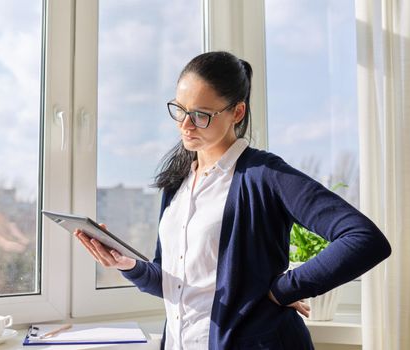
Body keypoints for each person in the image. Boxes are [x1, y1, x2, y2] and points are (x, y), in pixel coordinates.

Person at [74, 51, 391, 349]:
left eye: (201, 115)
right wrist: (127, 265)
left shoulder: (265, 174)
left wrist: (284, 289)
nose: (185, 125)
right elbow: (179, 286)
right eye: (180, 110)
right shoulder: (177, 183)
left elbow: (364, 239)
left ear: (237, 112)